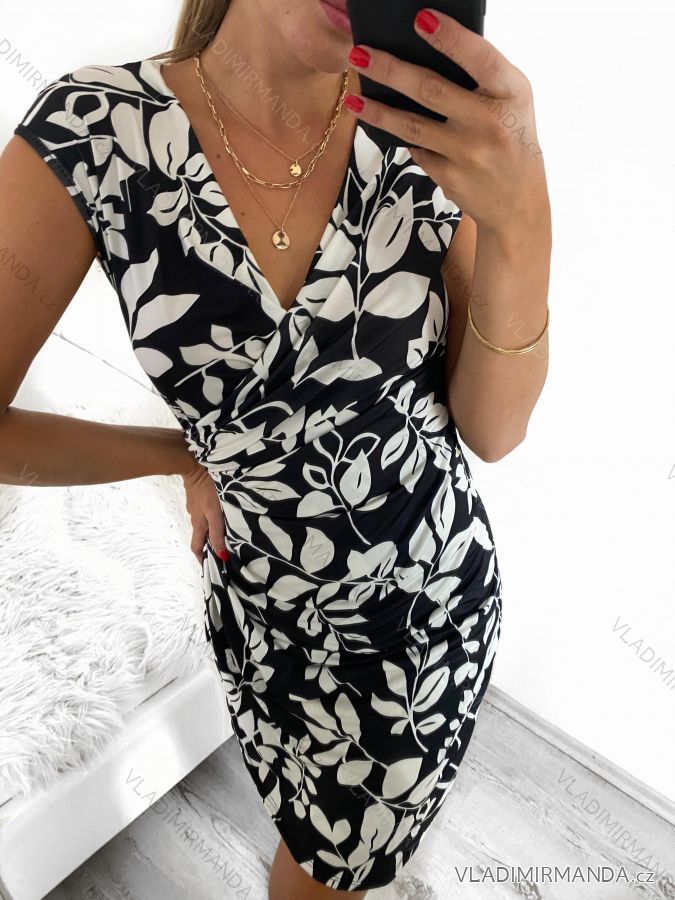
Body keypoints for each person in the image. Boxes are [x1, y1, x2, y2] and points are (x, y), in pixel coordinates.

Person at [0, 0, 551, 897]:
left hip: (428, 614)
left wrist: (523, 226)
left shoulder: (420, 136)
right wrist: (181, 455)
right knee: (306, 840)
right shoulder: (94, 133)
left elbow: (494, 430)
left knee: (326, 876)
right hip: (262, 617)